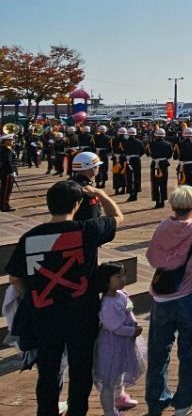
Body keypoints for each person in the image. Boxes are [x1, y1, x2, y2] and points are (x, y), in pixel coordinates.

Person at [4, 165, 123, 416]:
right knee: (80, 371)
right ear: (78, 204)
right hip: (82, 314)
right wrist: (100, 195)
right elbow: (117, 218)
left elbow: (14, 276)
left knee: (48, 370)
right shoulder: (87, 230)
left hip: (45, 313)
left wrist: (36, 290)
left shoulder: (30, 237)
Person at [145, 185, 192, 416]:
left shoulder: (162, 227)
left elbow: (152, 257)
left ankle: (156, 398)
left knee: (158, 351)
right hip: (191, 294)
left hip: (163, 296)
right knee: (190, 350)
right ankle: (184, 400)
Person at [92, 263, 143, 416]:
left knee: (120, 372)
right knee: (109, 379)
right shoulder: (107, 303)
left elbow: (129, 311)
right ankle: (109, 411)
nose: (123, 279)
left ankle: (119, 397)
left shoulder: (122, 294)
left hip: (123, 345)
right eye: (118, 276)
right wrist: (132, 331)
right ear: (106, 281)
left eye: (123, 275)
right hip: (111, 346)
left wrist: (134, 323)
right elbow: (115, 327)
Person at [146, 128, 173, 210]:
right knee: (163, 183)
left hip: (155, 164)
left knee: (155, 184)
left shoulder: (151, 144)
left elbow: (148, 154)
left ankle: (157, 201)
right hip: (164, 164)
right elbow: (169, 155)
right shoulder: (168, 144)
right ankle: (163, 201)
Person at [122, 128, 145, 202]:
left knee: (129, 177)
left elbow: (123, 150)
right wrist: (137, 156)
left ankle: (131, 194)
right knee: (137, 177)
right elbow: (143, 151)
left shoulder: (125, 142)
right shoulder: (139, 142)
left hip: (129, 160)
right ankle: (135, 194)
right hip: (136, 160)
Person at [1, 132, 17, 211]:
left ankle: (4, 204)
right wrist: (12, 171)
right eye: (10, 140)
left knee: (6, 189)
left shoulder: (7, 148)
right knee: (6, 190)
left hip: (6, 172)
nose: (12, 141)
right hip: (7, 173)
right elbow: (8, 161)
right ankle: (4, 206)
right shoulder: (6, 149)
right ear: (6, 141)